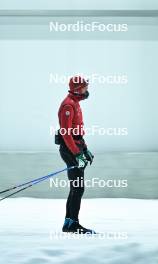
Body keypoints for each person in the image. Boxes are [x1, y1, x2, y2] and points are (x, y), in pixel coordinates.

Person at [56, 76, 95, 234]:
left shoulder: (76, 103)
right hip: (69, 149)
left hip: (76, 147)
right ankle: (72, 224)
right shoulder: (68, 105)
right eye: (85, 87)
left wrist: (84, 149)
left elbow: (77, 132)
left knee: (76, 187)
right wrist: (77, 154)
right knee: (78, 187)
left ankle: (69, 222)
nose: (87, 90)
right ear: (78, 89)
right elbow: (66, 135)